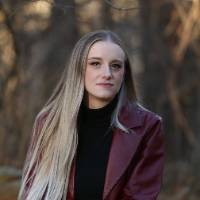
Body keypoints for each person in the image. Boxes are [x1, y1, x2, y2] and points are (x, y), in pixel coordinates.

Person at [18, 30, 164, 200]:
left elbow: (140, 195)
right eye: (95, 64)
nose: (107, 74)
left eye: (116, 66)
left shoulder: (148, 126)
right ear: (78, 68)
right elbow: (35, 191)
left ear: (124, 74)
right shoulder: (49, 123)